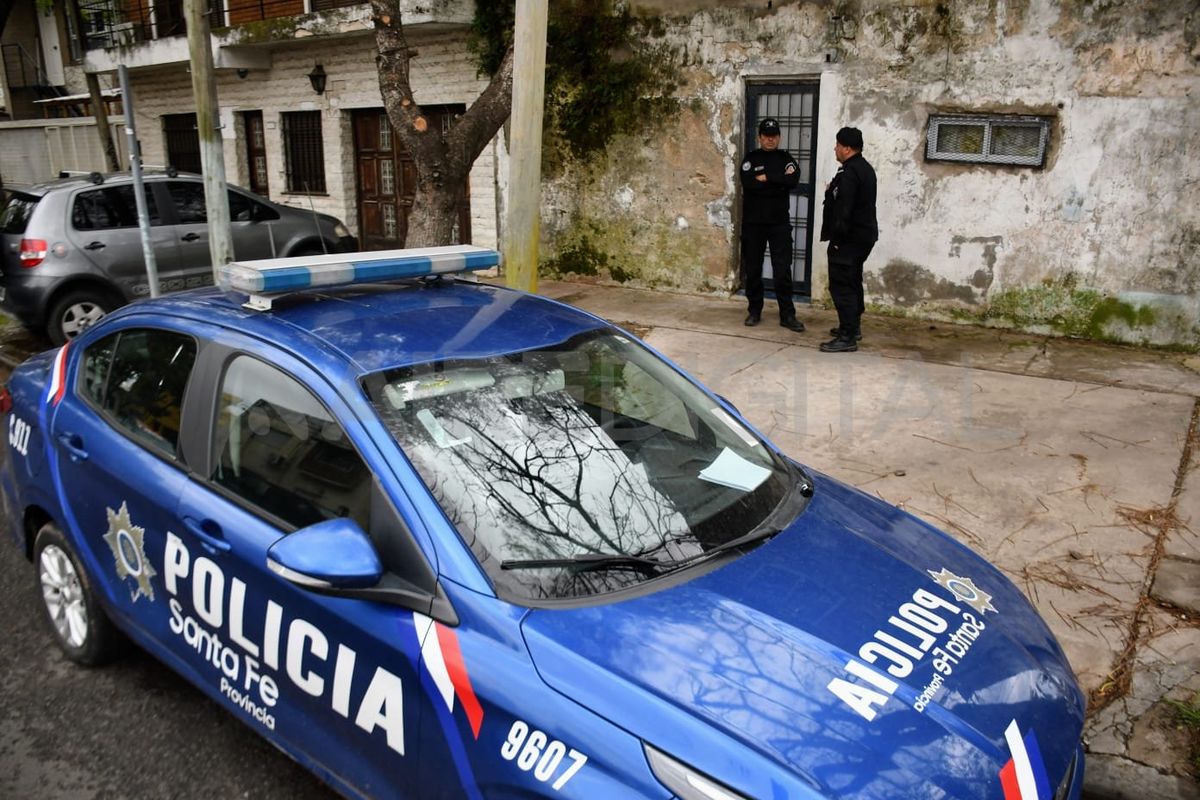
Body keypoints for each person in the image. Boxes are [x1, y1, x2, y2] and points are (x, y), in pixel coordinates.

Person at [740, 118, 805, 332]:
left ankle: (787, 314)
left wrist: (767, 178)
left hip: (779, 224)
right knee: (753, 269)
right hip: (754, 224)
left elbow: (793, 180)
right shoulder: (751, 158)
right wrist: (777, 182)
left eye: (774, 135)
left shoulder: (786, 159)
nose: (770, 139)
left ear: (779, 137)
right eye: (766, 135)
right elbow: (749, 184)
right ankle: (754, 310)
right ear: (759, 137)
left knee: (782, 270)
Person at [819, 126, 878, 353]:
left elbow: (845, 209)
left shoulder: (850, 173)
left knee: (842, 285)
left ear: (846, 148)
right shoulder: (864, 168)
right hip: (862, 237)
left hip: (849, 239)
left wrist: (837, 239)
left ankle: (847, 336)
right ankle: (853, 328)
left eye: (837, 145)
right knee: (852, 281)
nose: (835, 148)